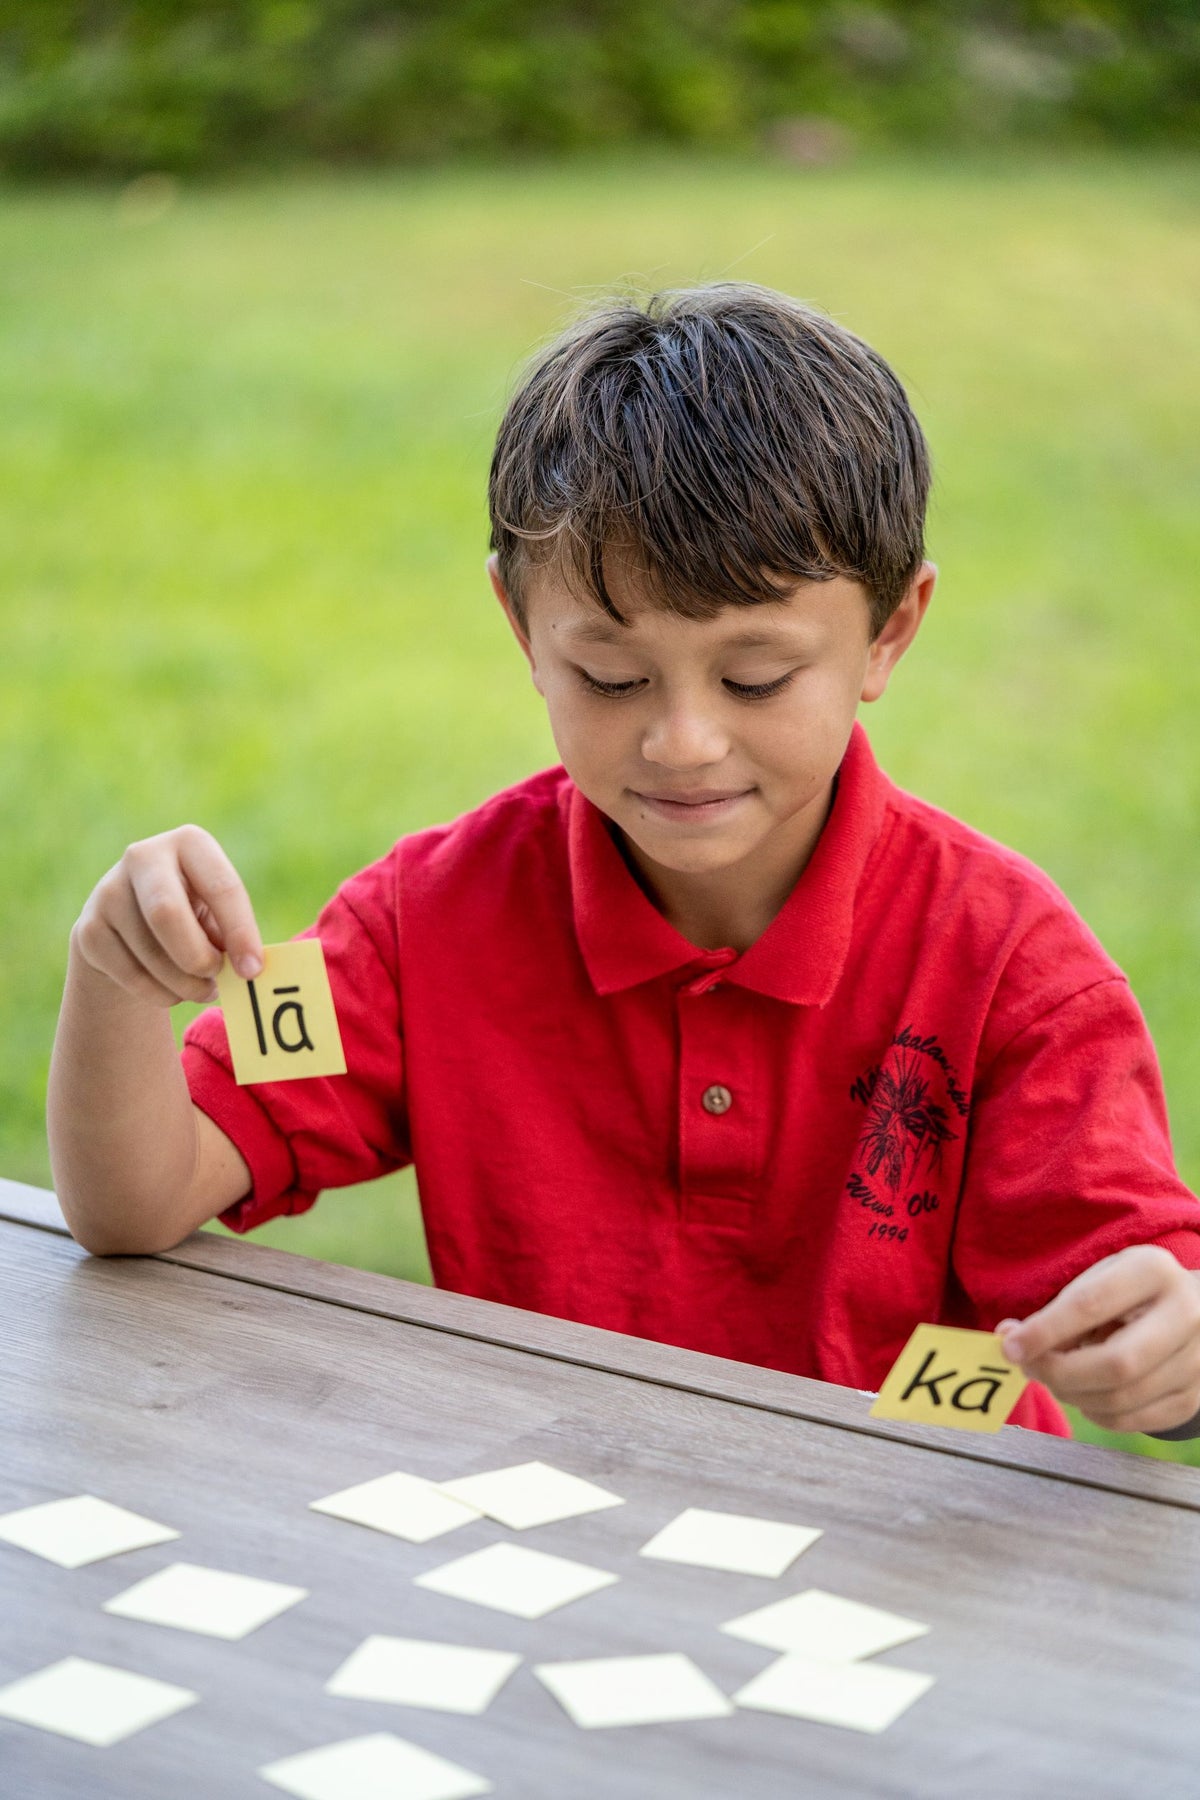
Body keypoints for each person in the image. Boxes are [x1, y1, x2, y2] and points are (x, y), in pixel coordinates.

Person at [48, 283, 1200, 1442]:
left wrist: (1167, 1350)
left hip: (916, 1524)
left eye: (755, 679)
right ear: (521, 628)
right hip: (545, 1508)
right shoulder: (415, 925)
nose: (682, 742)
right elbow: (141, 1201)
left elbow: (1147, 1305)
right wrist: (114, 981)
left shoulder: (1014, 971)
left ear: (889, 632)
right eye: (612, 677)